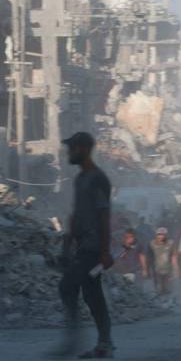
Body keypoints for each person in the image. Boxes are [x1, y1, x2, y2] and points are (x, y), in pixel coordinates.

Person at [54, 132, 115, 359]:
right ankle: (104, 344)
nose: (69, 153)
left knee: (67, 286)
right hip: (82, 246)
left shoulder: (98, 179)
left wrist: (105, 251)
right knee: (92, 294)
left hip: (92, 247)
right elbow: (78, 213)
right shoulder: (81, 179)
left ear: (83, 149)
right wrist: (68, 239)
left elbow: (104, 215)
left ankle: (74, 340)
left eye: (72, 148)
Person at [146, 227, 177, 297]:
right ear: (156, 235)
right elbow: (149, 257)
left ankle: (168, 302)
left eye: (163, 234)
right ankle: (159, 303)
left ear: (166, 235)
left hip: (168, 269)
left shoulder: (171, 243)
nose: (161, 236)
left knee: (167, 289)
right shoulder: (152, 244)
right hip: (156, 270)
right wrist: (147, 269)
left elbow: (173, 257)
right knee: (158, 288)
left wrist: (176, 269)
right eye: (159, 234)